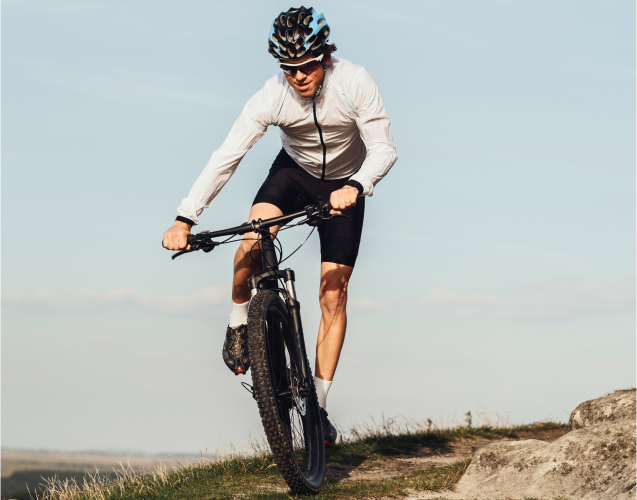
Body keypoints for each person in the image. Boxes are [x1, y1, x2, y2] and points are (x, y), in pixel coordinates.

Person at [162, 6, 397, 446]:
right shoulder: (272, 95)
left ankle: (318, 410)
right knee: (253, 238)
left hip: (345, 184)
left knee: (333, 293)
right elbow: (227, 155)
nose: (298, 76)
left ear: (326, 56)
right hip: (293, 174)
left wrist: (359, 184)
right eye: (289, 68)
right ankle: (237, 318)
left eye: (307, 65)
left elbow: (384, 148)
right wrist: (185, 216)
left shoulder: (355, 81)